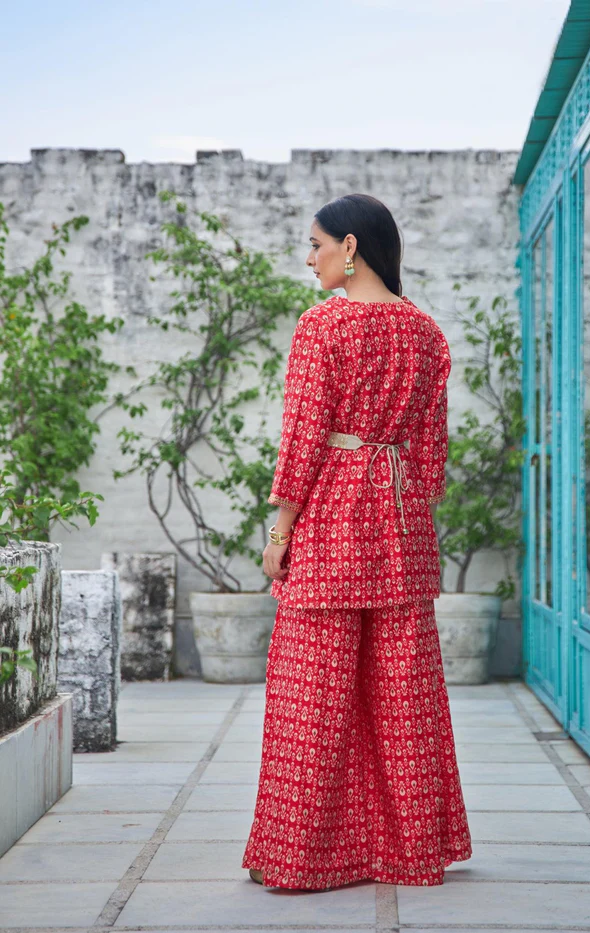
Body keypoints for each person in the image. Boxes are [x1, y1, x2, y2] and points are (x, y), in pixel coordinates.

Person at [241, 193, 472, 890]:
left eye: (314, 245)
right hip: (401, 523)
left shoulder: (322, 325)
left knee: (312, 695)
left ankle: (301, 855)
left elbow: (304, 436)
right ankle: (408, 851)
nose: (309, 259)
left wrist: (280, 530)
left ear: (349, 246)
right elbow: (431, 456)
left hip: (332, 523)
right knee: (403, 698)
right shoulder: (425, 332)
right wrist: (398, 499)